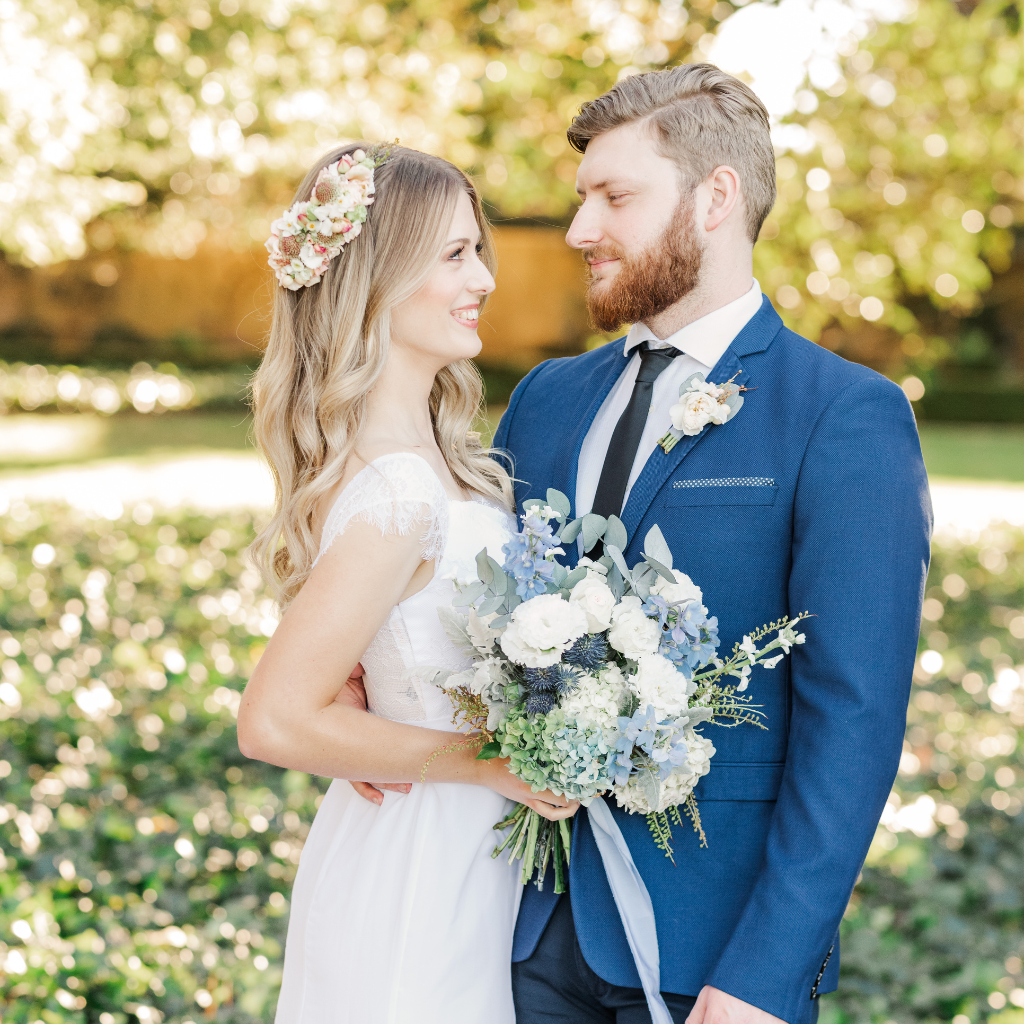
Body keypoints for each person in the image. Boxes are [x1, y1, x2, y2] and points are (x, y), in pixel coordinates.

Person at [493, 64, 932, 1024]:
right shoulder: (544, 402)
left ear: (715, 197)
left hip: (709, 963)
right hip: (514, 933)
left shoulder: (842, 416)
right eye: (581, 200)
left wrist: (766, 979)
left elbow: (852, 723)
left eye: (616, 197)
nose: (579, 231)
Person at [236, 143, 577, 1024]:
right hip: (417, 869)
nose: (486, 280)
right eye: (455, 255)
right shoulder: (399, 490)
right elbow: (273, 719)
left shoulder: (452, 465)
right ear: (381, 280)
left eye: (479, 251)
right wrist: (486, 762)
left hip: (466, 854)